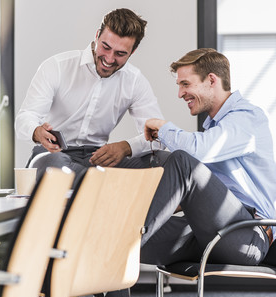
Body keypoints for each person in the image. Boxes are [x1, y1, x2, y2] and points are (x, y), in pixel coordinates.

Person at [109, 48, 276, 297]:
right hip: (208, 233)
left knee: (180, 161)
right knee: (112, 243)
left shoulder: (247, 118)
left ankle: (134, 234)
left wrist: (162, 127)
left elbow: (197, 154)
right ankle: (120, 237)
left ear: (212, 80)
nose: (180, 94)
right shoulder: (215, 127)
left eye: (185, 84)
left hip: (248, 236)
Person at [15, 8, 168, 188]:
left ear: (132, 52)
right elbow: (24, 119)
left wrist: (126, 147)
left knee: (164, 161)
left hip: (98, 159)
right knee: (54, 168)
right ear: (97, 36)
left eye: (120, 54)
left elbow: (159, 137)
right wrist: (36, 131)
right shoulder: (57, 67)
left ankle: (98, 185)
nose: (109, 59)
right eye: (106, 47)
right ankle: (105, 186)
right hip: (54, 154)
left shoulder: (134, 81)